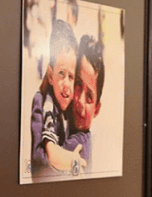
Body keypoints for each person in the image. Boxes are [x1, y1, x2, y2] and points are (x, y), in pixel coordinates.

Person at [37, 34, 105, 176]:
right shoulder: (66, 120)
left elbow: (46, 160)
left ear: (97, 110)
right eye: (78, 84)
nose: (80, 101)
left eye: (89, 97)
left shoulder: (79, 144)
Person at [30, 20, 80, 174]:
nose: (66, 84)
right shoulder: (44, 103)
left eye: (71, 77)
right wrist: (72, 159)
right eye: (61, 73)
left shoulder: (71, 106)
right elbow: (45, 155)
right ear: (50, 75)